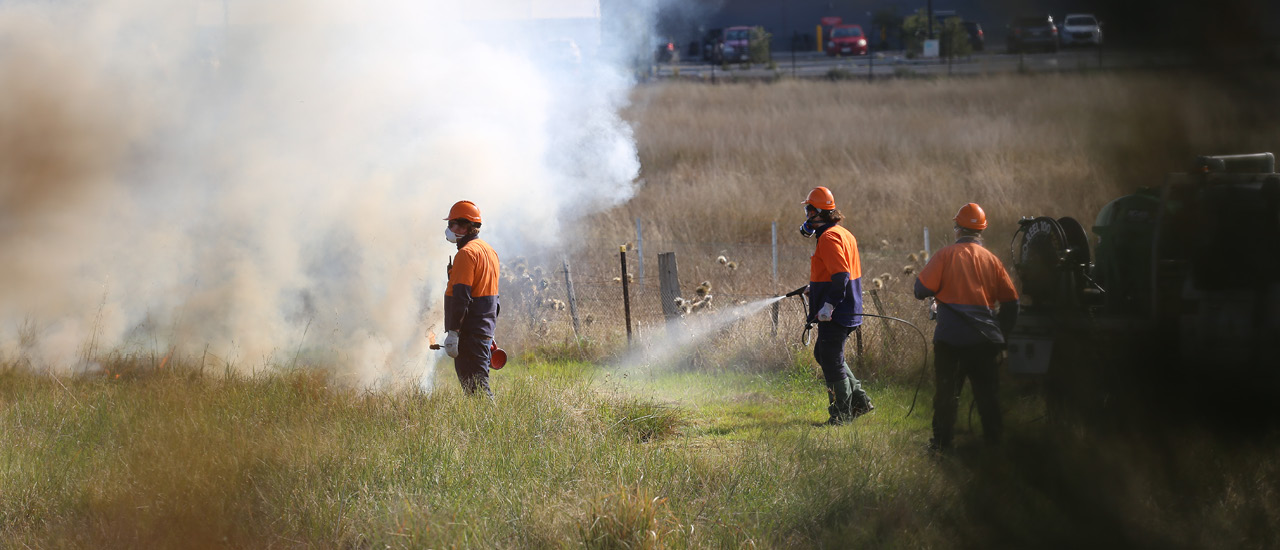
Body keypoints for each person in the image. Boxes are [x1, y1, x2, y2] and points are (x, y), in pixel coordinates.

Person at [914, 203, 1019, 449]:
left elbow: (920, 290)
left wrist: (941, 288)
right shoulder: (992, 260)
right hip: (985, 343)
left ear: (957, 229)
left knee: (947, 396)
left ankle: (941, 445)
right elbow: (1012, 303)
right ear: (981, 231)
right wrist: (1001, 336)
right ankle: (995, 446)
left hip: (950, 341)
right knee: (988, 398)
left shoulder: (945, 255)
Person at [801, 187, 875, 425]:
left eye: (808, 209)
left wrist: (829, 305)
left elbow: (842, 275)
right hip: (847, 307)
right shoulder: (842, 233)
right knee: (824, 354)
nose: (806, 215)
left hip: (837, 312)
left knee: (831, 360)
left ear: (816, 212)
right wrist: (817, 290)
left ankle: (842, 415)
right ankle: (860, 402)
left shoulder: (829, 238)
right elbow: (835, 273)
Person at [442, 200, 501, 397]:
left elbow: (461, 297)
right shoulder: (489, 251)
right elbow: (494, 297)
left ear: (466, 226)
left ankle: (491, 427)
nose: (449, 229)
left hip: (470, 334)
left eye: (452, 224)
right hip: (483, 330)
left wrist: (453, 333)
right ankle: (485, 426)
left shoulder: (466, 254)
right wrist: (489, 330)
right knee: (477, 385)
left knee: (477, 389)